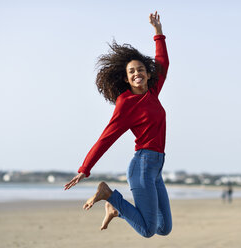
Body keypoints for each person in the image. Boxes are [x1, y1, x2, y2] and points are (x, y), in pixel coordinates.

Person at [64, 11, 172, 238]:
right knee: (147, 230)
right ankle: (109, 196)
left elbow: (163, 62)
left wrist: (158, 33)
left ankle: (115, 208)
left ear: (147, 73)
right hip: (142, 166)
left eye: (141, 69)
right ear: (126, 78)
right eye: (132, 71)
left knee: (164, 228)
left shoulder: (153, 92)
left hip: (156, 168)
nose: (137, 73)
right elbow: (106, 137)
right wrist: (85, 169)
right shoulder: (126, 103)